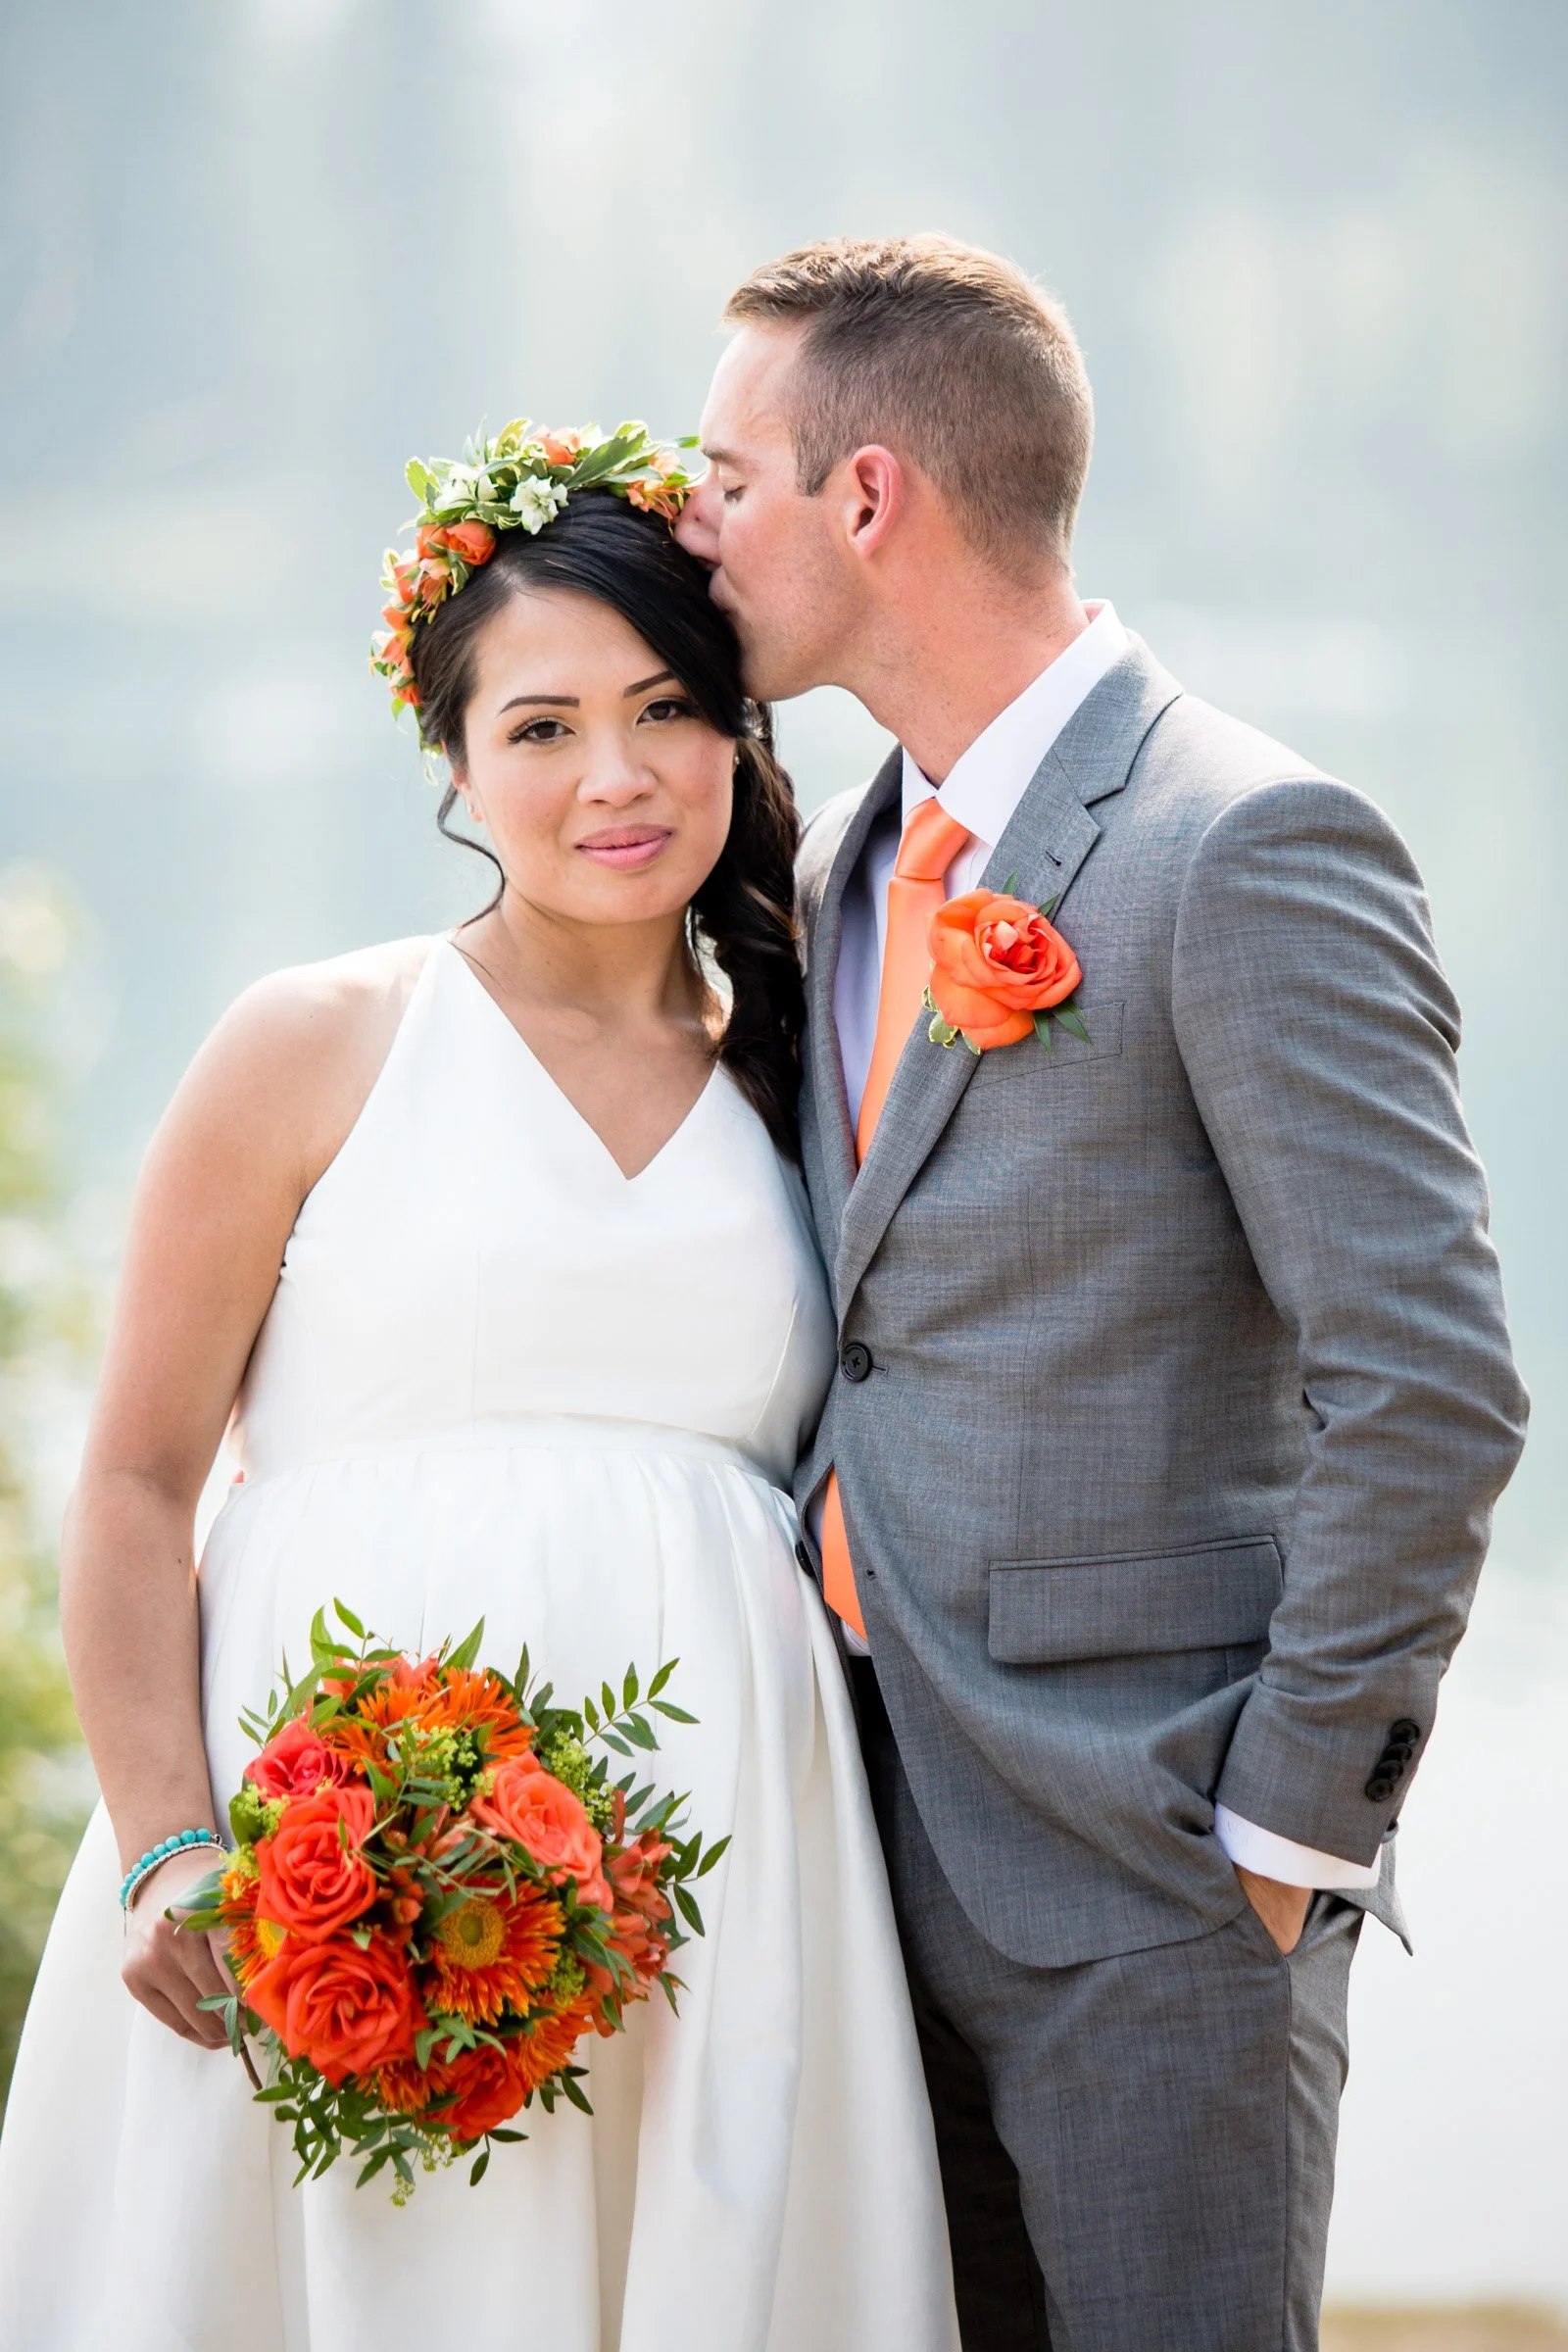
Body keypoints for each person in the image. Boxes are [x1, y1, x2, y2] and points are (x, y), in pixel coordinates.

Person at [0, 428, 960, 2352]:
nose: (613, 777)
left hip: (718, 1883)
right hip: (319, 1853)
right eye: (539, 728)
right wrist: (180, 1841)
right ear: (453, 763)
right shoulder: (314, 1043)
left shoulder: (810, 1070)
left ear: (741, 733)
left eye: (667, 709)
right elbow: (131, 1484)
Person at [675, 236, 1530, 2352]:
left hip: (1153, 1890)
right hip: (858, 1863)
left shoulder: (1240, 846)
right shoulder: (833, 864)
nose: (687, 525)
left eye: (721, 476)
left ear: (865, 499)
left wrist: (1274, 1833)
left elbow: (1423, 1380)